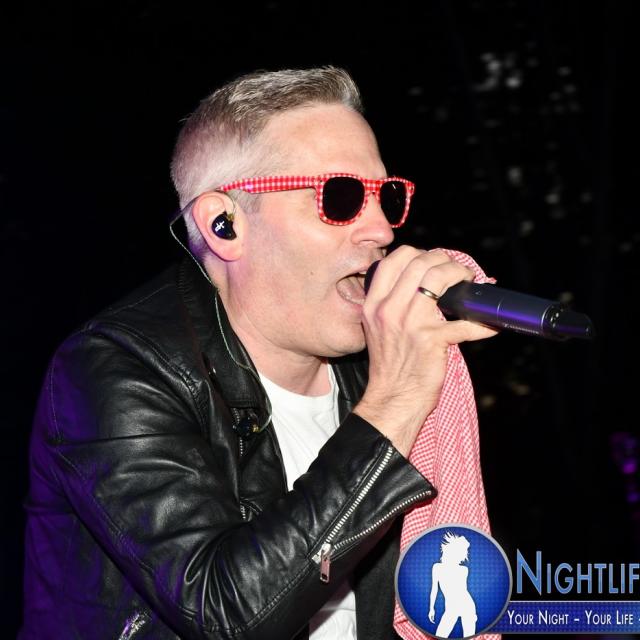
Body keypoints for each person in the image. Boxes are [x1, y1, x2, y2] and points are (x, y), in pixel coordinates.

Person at [20, 67, 495, 639]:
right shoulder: (113, 368)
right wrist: (396, 400)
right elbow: (227, 614)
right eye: (340, 197)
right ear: (224, 225)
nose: (380, 230)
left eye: (387, 198)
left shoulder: (377, 368)